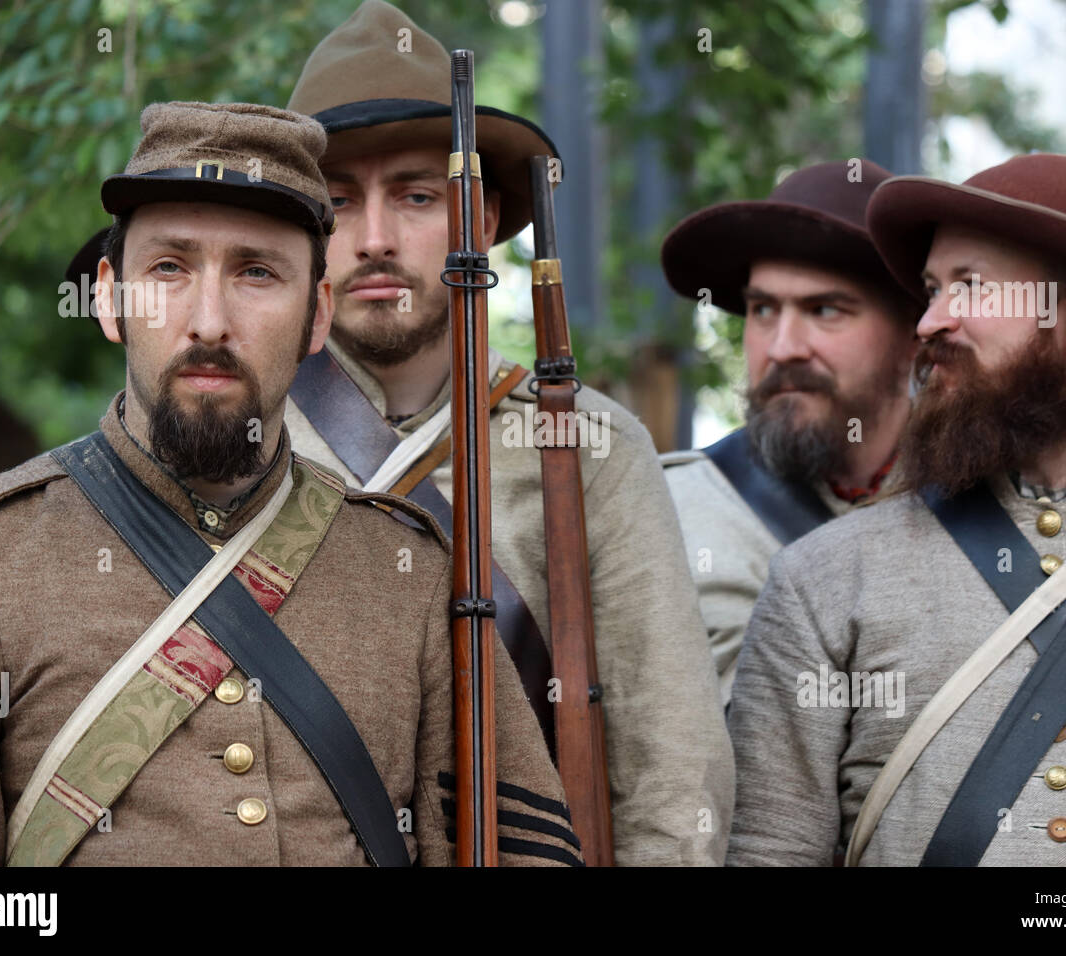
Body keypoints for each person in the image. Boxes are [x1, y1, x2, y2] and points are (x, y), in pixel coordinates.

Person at [0, 100, 577, 867]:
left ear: (317, 315)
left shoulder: (415, 574)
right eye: (168, 269)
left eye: (257, 273)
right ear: (108, 298)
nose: (209, 321)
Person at [278, 0, 733, 864]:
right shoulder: (239, 442)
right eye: (338, 203)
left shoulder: (592, 447)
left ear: (479, 222)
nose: (374, 240)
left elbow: (675, 771)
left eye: (416, 195)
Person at [727, 153, 1066, 866]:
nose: (929, 322)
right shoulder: (824, 579)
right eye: (930, 290)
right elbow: (771, 853)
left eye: (970, 287)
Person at [658, 160, 920, 705]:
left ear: (913, 333)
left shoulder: (986, 505)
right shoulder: (670, 511)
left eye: (825, 309)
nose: (782, 348)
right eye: (762, 310)